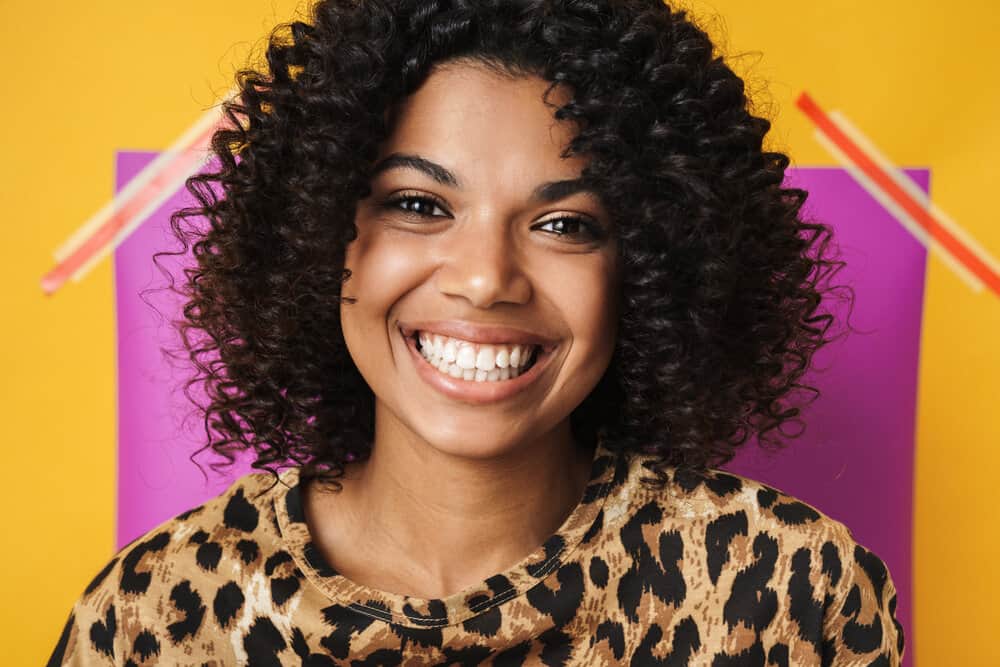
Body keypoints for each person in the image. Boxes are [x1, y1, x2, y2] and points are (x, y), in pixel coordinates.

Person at [48, 0, 905, 664]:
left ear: (645, 272)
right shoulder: (149, 616)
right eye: (420, 206)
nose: (486, 276)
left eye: (566, 223)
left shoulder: (791, 595)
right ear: (323, 237)